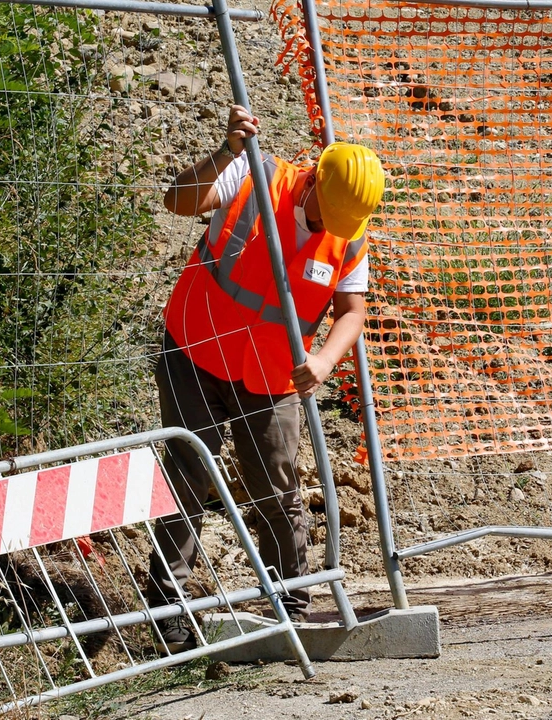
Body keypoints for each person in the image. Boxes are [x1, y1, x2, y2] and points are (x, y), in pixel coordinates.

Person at [147, 104, 384, 652]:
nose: (332, 228)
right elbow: (177, 201)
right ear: (313, 183)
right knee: (188, 479)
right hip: (194, 351)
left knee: (278, 491)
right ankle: (167, 614)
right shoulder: (255, 173)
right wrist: (227, 150)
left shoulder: (351, 231)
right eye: (327, 214)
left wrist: (323, 361)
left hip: (273, 376)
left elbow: (352, 312)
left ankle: (291, 603)